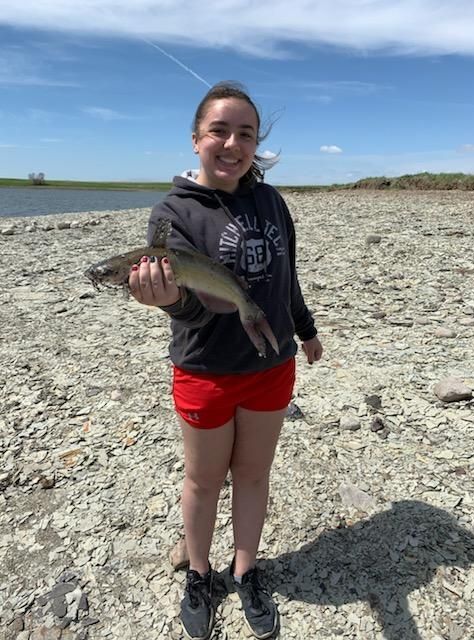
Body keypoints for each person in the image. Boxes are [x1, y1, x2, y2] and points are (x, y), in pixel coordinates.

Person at [129, 81, 322, 640]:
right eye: (219, 130)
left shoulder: (272, 202)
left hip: (271, 364)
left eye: (245, 133)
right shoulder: (173, 213)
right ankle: (199, 572)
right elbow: (188, 310)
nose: (232, 143)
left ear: (255, 144)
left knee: (254, 475)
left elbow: (287, 278)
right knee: (203, 479)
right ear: (195, 139)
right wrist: (169, 299)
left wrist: (305, 330)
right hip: (204, 370)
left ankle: (245, 570)